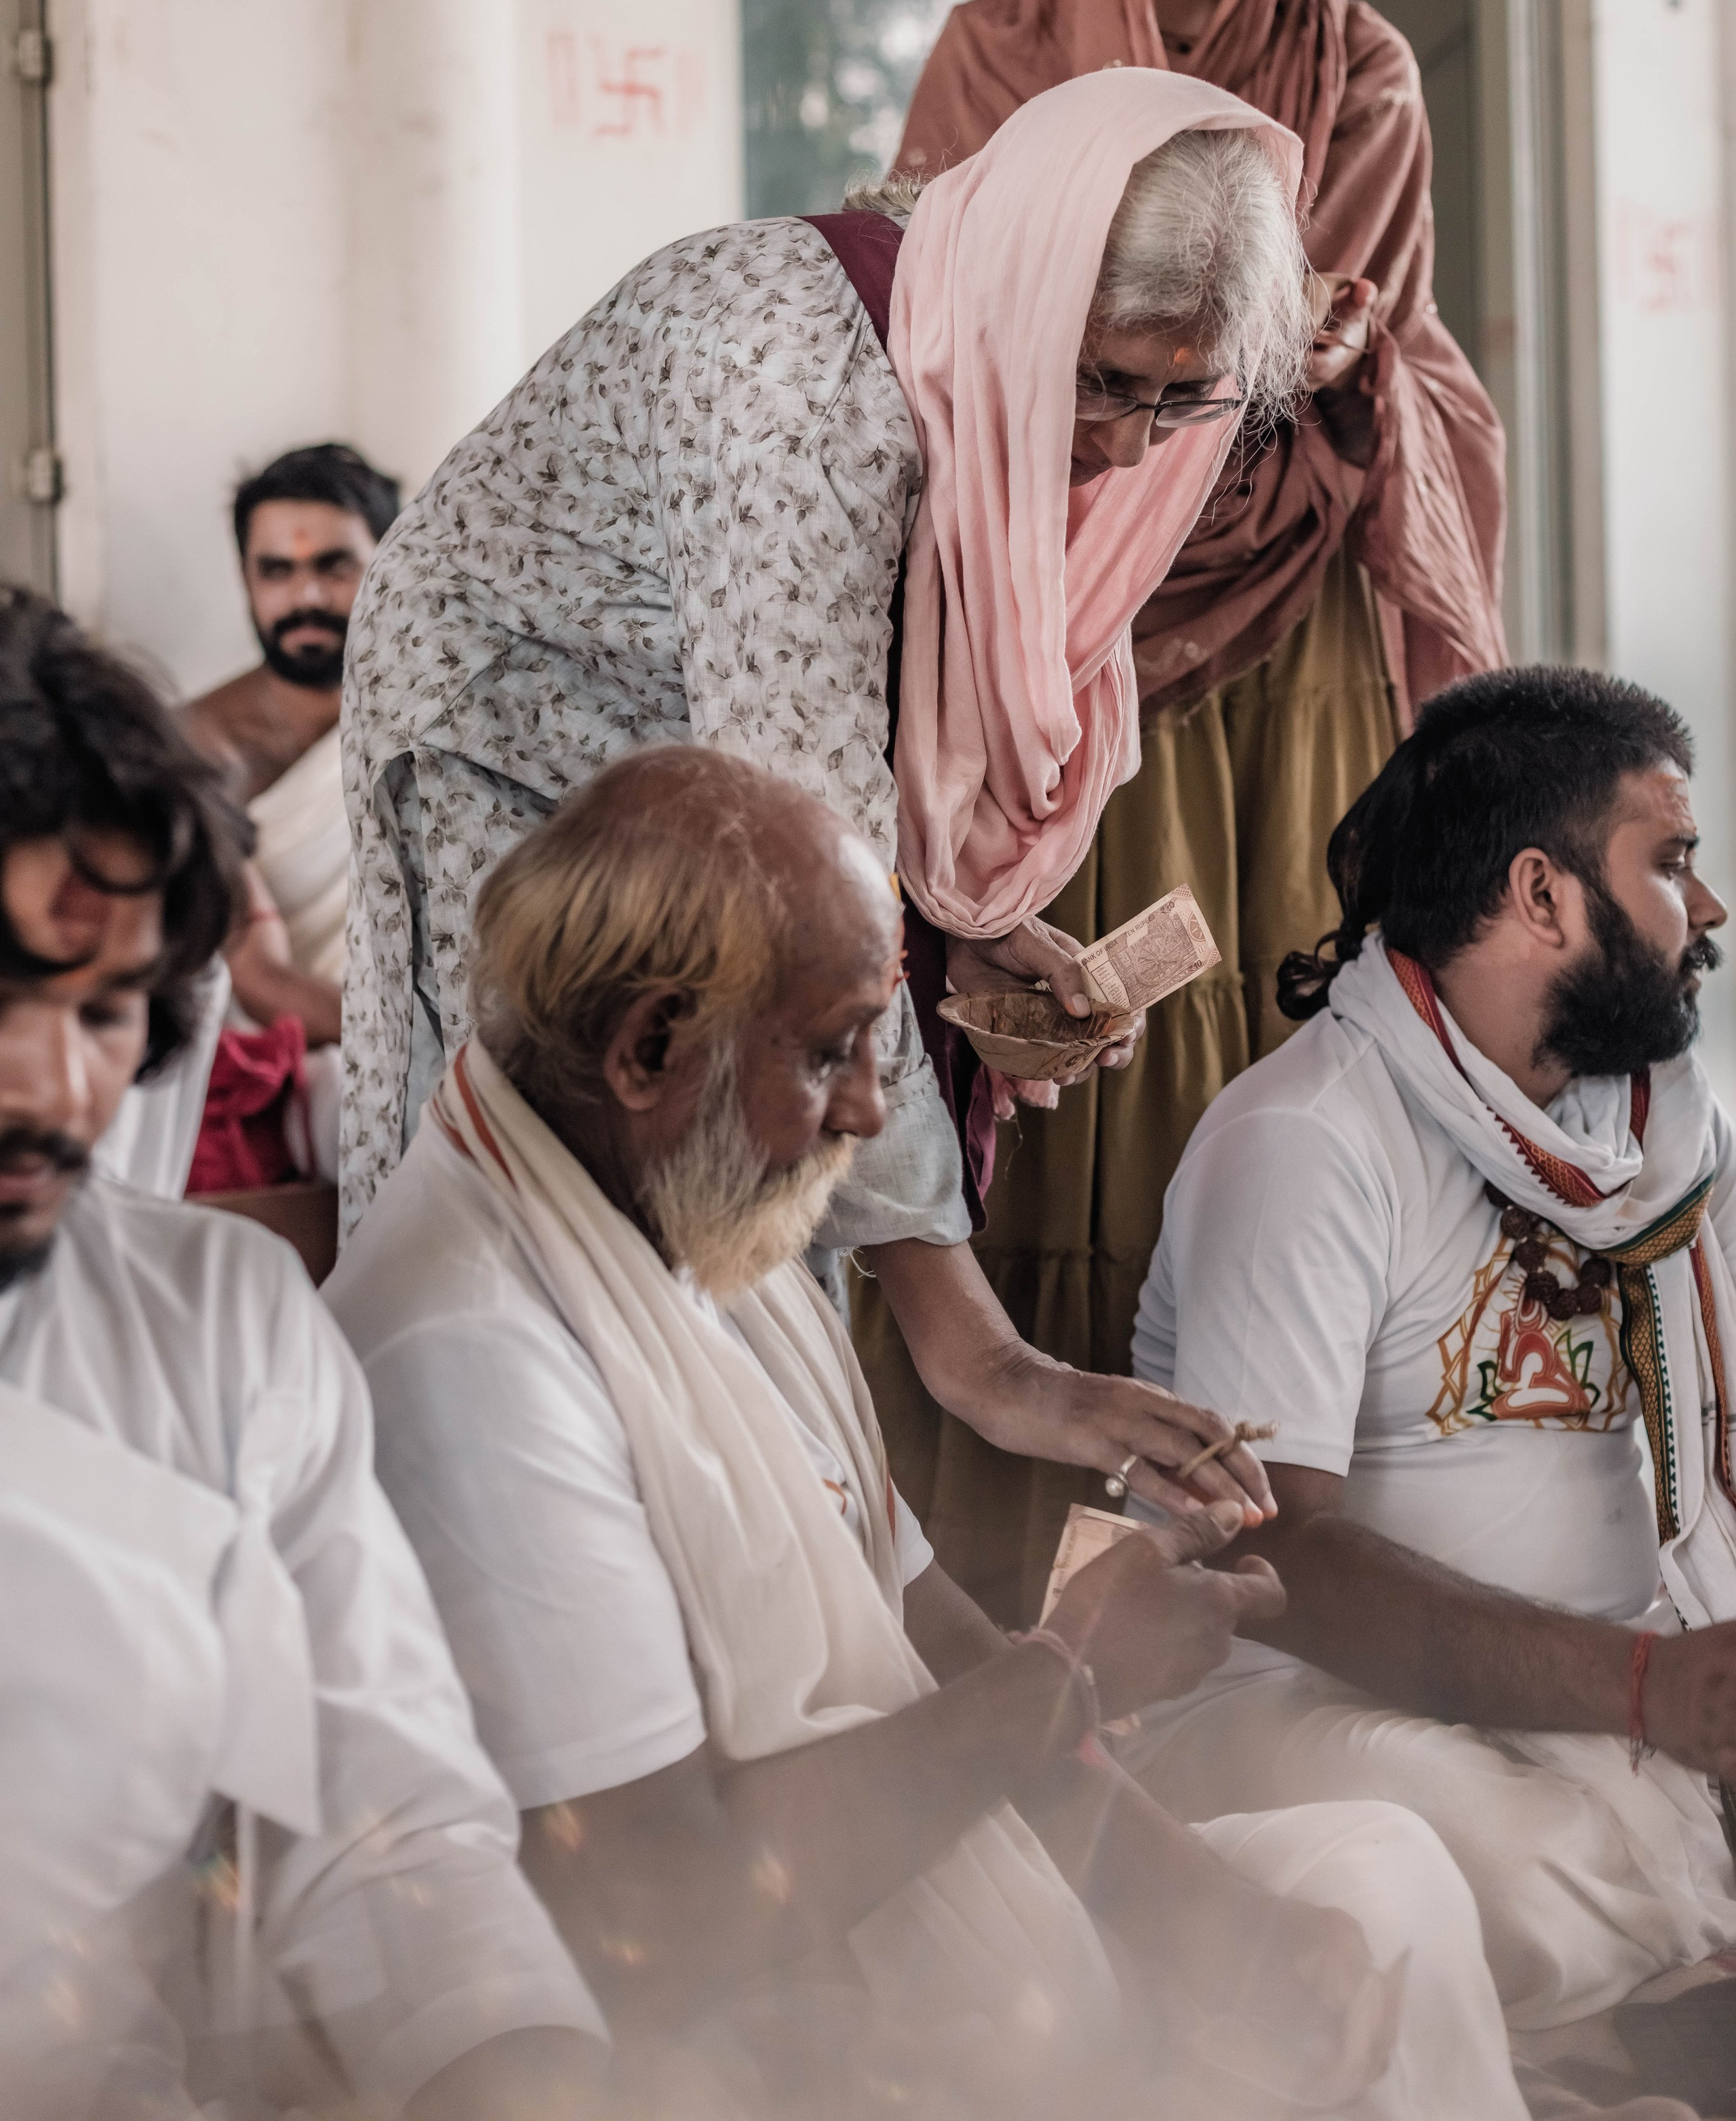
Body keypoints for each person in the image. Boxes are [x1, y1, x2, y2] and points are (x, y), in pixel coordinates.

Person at [328, 742, 1544, 2121]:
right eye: (833, 1051)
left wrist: (1199, 1914)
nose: (864, 1110)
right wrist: (1064, 1683)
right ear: (650, 1047)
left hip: (912, 1913)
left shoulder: (671, 1207)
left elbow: (912, 1605)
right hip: (763, 2042)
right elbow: (656, 1918)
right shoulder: (475, 1362)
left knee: (1374, 1879)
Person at [339, 68, 1309, 1528]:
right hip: (516, 744)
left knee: (753, 1255)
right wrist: (982, 1356)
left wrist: (954, 928)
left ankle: (766, 1566)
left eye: (1182, 399)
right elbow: (803, 889)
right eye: (1103, 378)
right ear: (1021, 291)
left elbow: (833, 770)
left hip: (723, 746)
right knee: (562, 1208)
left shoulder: (995, 366)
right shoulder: (793, 386)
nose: (1120, 446)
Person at [882, 0, 1508, 1620]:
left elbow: (1386, 348)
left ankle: (1283, 1569)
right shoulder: (998, 58)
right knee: (1081, 1063)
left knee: (1277, 1037)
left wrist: (1340, 348)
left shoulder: (1356, 69)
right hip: (1077, 631)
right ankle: (1026, 1603)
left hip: (1289, 632)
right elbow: (935, 350)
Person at [0, 587, 604, 2118]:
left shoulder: (213, 1326)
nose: (48, 1083)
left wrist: (521, 2078)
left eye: (104, 1008)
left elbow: (378, 1823)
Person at [1128, 666, 1736, 2080]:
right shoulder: (1305, 1140)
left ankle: (1604, 2046)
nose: (1702, 914)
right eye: (1672, 865)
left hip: (1601, 1691)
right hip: (1309, 1699)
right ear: (1539, 893)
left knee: (1587, 1848)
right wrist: (1649, 1693)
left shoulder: (1655, 1135)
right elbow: (1273, 1558)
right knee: (1504, 1863)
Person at [184, 440, 401, 1049]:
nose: (305, 597)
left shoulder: (436, 714)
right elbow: (262, 980)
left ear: (391, 563)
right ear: (245, 579)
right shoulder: (200, 751)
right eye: (277, 571)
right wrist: (437, 1056)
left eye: (333, 566)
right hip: (292, 1069)